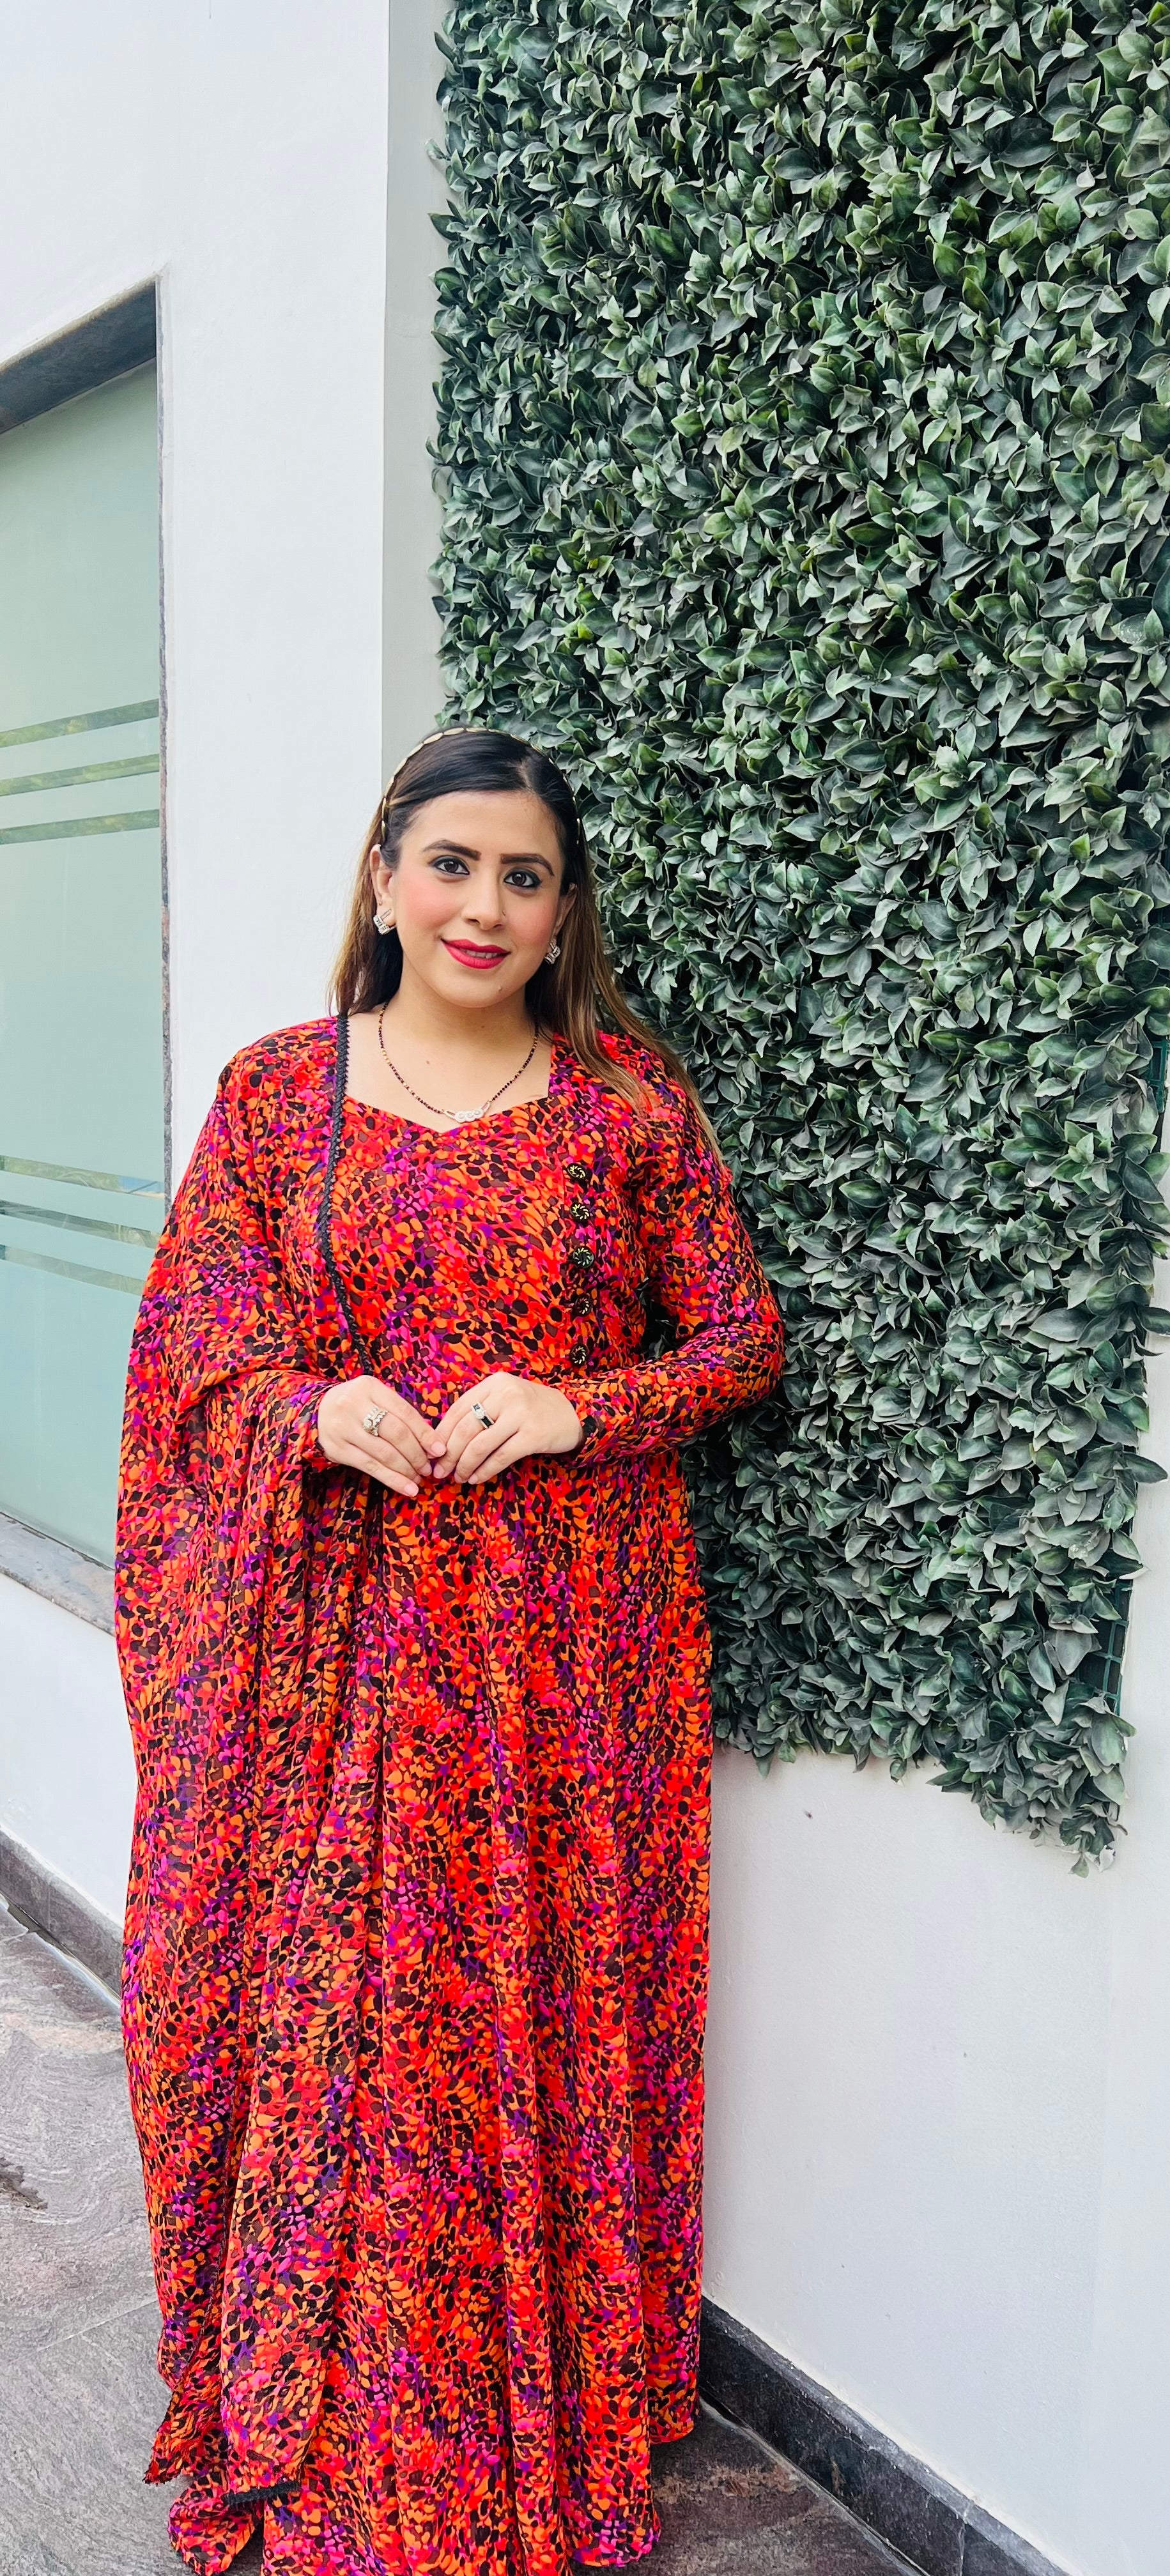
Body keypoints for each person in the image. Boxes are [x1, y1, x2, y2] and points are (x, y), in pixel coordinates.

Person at [115, 728, 785, 2576]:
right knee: (329, 2017)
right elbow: (189, 1351)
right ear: (383, 875)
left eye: (526, 876)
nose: (485, 905)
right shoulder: (275, 1100)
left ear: (562, 912)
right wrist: (310, 1407)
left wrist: (574, 1408)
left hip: (558, 1660)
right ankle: (316, 2424)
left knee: (517, 2018)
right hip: (322, 1662)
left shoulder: (626, 1110)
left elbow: (734, 1342)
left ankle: (525, 2419)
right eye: (454, 864)